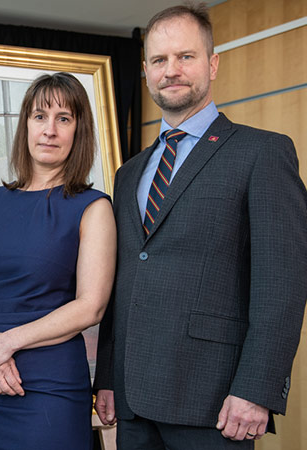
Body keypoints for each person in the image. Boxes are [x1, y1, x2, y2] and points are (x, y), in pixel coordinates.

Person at [93, 3, 307, 449]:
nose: (171, 70)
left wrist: (256, 388)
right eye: (159, 60)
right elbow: (124, 279)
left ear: (212, 64)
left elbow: (283, 285)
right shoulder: (128, 172)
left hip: (215, 400)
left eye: (185, 57)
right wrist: (108, 376)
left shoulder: (262, 153)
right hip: (132, 400)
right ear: (147, 72)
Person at [0, 72, 116, 449]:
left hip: (50, 389)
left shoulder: (92, 207)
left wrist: (4, 344)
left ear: (79, 131)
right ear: (25, 124)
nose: (49, 130)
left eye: (64, 119)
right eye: (40, 116)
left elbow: (91, 306)